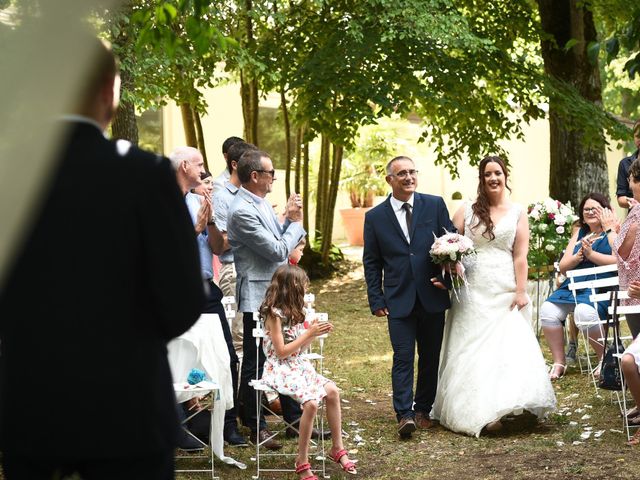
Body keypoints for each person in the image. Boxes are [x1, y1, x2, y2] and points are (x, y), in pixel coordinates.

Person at [0, 38, 205, 479]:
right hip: (128, 407)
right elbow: (185, 298)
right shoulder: (146, 175)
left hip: (33, 408)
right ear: (109, 95)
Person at [432, 156, 556, 437]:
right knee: (471, 345)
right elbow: (448, 244)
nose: (493, 178)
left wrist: (521, 290)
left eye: (497, 173)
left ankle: (511, 405)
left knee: (508, 345)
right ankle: (480, 412)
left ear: (505, 175)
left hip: (505, 288)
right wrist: (449, 273)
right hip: (472, 288)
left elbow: (520, 255)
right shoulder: (466, 210)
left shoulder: (518, 212)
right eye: (487, 174)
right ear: (481, 178)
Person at [363, 155, 455, 439]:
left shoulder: (434, 204)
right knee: (403, 356)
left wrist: (446, 281)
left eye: (412, 172)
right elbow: (372, 261)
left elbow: (452, 244)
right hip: (398, 298)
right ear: (390, 179)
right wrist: (377, 299)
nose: (408, 178)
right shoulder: (375, 217)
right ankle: (404, 414)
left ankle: (422, 409)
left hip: (431, 294)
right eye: (401, 173)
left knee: (429, 356)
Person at [227, 149, 307, 449]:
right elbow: (276, 251)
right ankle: (255, 426)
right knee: (256, 361)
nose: (274, 177)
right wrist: (295, 222)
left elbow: (277, 238)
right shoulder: (242, 210)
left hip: (276, 292)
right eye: (271, 172)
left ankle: (294, 420)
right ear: (255, 176)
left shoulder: (258, 202)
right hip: (256, 295)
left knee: (286, 354)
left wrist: (288, 219)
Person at [169, 145, 249, 447]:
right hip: (172, 289)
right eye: (199, 164)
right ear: (183, 166)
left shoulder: (198, 200)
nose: (204, 170)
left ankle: (227, 426)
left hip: (205, 288)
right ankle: (179, 427)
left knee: (226, 357)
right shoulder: (159, 203)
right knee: (177, 358)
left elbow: (217, 248)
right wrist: (195, 228)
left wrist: (211, 221)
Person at [260, 265, 357, 479]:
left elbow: (298, 349)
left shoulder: (293, 313)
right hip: (278, 368)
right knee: (311, 403)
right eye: (303, 285)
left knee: (332, 390)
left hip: (298, 365)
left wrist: (313, 333)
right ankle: (302, 462)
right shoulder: (273, 315)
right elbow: (282, 352)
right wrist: (309, 333)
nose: (305, 289)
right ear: (291, 288)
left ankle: (337, 447)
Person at [540, 192, 617, 380]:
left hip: (601, 286)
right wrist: (578, 256)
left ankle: (604, 360)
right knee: (548, 309)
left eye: (594, 208)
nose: (590, 211)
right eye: (586, 209)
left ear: (605, 210)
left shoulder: (614, 230)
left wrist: (592, 255)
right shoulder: (579, 233)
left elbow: (619, 261)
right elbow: (564, 267)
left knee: (583, 311)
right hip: (575, 286)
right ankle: (559, 362)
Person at [213, 141, 258, 360]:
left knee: (257, 335)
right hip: (233, 270)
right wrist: (252, 230)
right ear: (234, 164)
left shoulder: (253, 195)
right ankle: (239, 393)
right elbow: (221, 242)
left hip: (255, 270)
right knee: (238, 337)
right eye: (250, 164)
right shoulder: (222, 196)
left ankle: (253, 393)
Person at [602, 159, 640, 338]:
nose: (630, 186)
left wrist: (609, 229)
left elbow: (621, 251)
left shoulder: (638, 212)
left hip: (636, 289)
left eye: (631, 179)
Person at [616, 120, 640, 209]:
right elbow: (621, 197)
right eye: (637, 136)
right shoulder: (624, 163)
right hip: (635, 216)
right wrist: (634, 202)